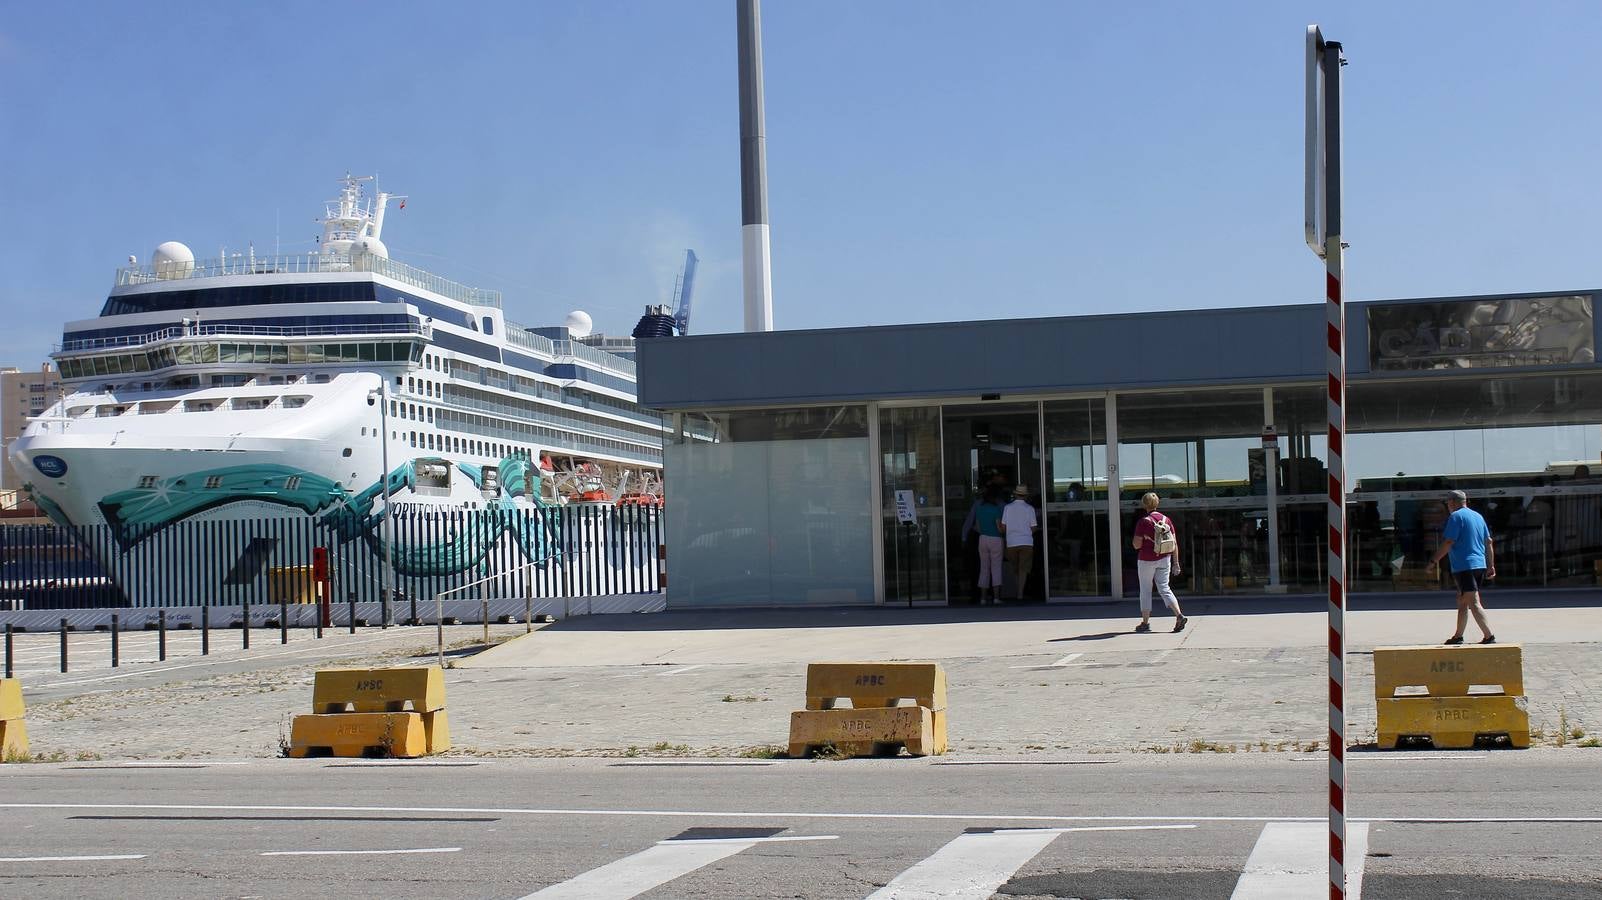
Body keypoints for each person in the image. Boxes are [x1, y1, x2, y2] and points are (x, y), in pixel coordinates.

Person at [1428, 489, 1496, 645]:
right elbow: (1489, 542)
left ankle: (1489, 635)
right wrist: (1491, 565)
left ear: (1452, 502)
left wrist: (1433, 561)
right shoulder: (1478, 516)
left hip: (1465, 566)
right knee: (1462, 600)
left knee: (1473, 601)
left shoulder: (1455, 517)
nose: (1448, 507)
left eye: (1448, 503)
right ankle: (1458, 635)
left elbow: (1448, 542)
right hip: (1479, 565)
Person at [1131, 492, 1187, 633]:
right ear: (1158, 504)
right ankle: (1179, 615)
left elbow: (1136, 545)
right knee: (1164, 587)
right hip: (1165, 558)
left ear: (1144, 505)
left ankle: (1145, 623)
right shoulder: (1166, 520)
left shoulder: (1143, 522)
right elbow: (1174, 543)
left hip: (1146, 560)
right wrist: (1176, 563)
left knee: (1145, 590)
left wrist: (1144, 539)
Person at [966, 484, 1007, 604]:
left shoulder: (979, 508)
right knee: (996, 568)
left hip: (982, 539)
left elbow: (977, 526)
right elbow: (999, 528)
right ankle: (996, 597)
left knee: (984, 568)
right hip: (996, 539)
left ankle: (983, 598)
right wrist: (1004, 531)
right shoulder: (996, 509)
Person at [998, 484, 1038, 602]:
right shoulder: (1030, 508)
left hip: (1012, 542)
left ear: (1015, 494)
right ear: (1025, 496)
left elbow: (1004, 527)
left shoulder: (1007, 508)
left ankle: (1017, 591)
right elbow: (1034, 527)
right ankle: (1020, 594)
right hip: (1026, 542)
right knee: (1023, 569)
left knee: (1015, 569)